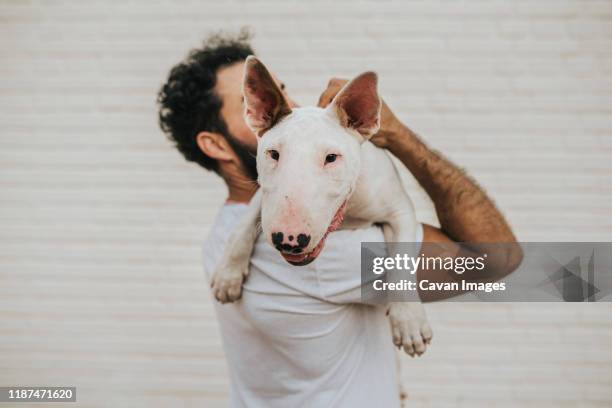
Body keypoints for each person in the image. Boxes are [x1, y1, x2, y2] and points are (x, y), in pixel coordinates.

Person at [157, 31, 522, 408]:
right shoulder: (318, 244)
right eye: (262, 101)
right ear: (216, 143)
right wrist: (397, 136)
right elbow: (499, 260)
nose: (289, 108)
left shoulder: (222, 234)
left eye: (280, 91)